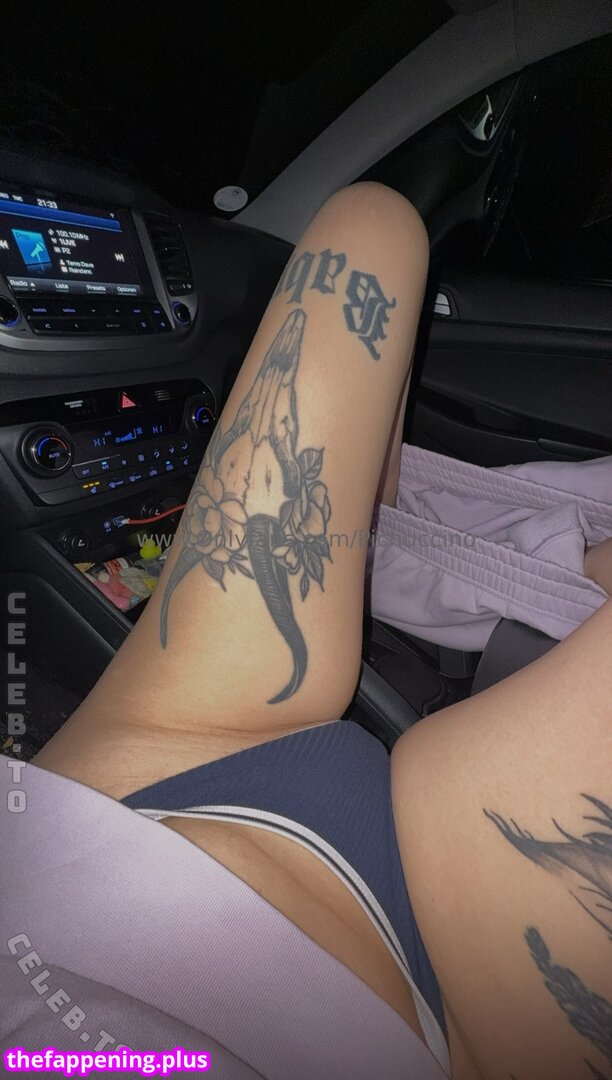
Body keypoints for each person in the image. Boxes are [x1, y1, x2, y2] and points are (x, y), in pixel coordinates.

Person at [21, 183, 612, 1079]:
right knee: (373, 223)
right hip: (195, 829)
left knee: (372, 222)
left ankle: (366, 529)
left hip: (140, 818)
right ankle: (367, 528)